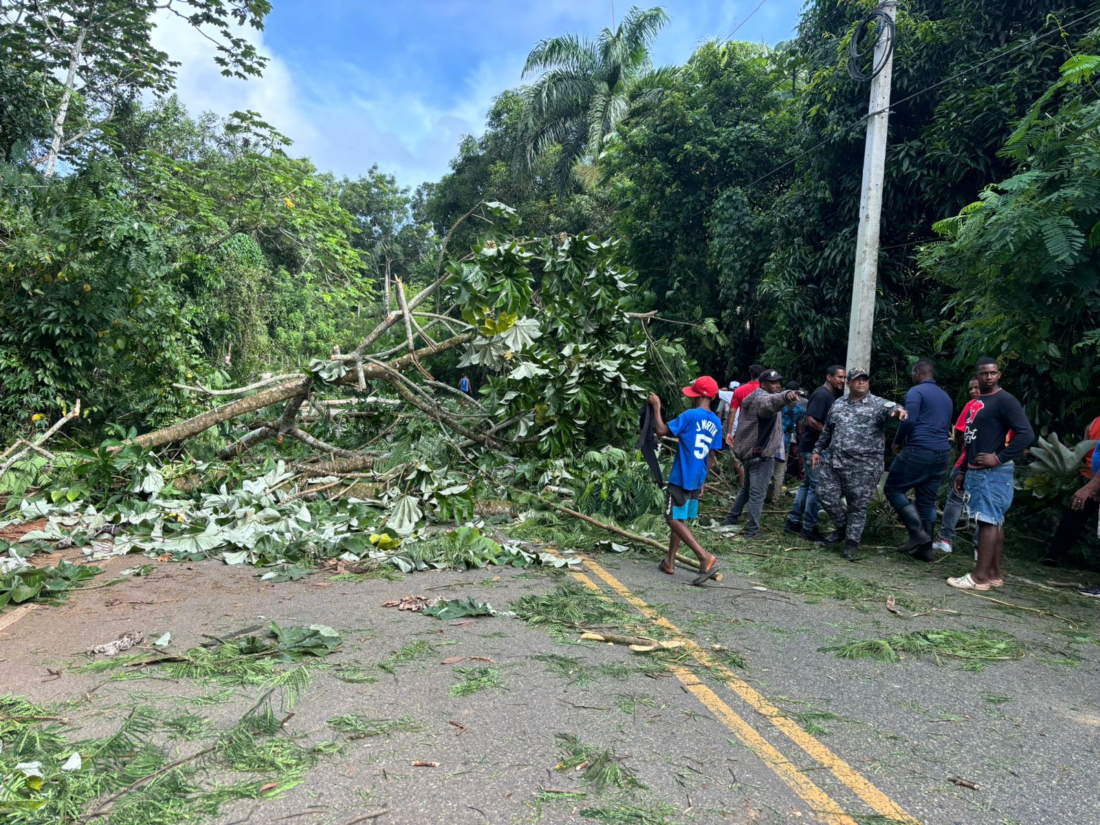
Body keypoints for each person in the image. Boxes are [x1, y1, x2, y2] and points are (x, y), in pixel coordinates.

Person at [947, 357, 1034, 591]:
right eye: (984, 373)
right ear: (977, 375)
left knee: (987, 521)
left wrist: (999, 457)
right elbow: (970, 440)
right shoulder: (978, 402)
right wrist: (963, 470)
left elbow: (1026, 434)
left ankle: (979, 578)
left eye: (993, 373)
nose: (988, 377)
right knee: (994, 521)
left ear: (999, 374)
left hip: (992, 472)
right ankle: (993, 574)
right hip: (976, 469)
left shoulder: (1005, 400)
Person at [812, 367, 908, 560]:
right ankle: (843, 527)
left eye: (865, 379)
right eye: (857, 379)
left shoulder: (878, 404)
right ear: (849, 383)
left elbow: (893, 408)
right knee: (825, 495)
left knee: (858, 506)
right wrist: (817, 450)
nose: (862, 382)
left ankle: (851, 543)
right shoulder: (838, 404)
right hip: (835, 462)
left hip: (865, 466)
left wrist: (899, 412)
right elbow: (828, 431)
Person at [648, 377, 724, 585]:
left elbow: (662, 431)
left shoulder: (690, 415)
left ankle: (703, 556)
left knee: (671, 519)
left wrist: (657, 407)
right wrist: (703, 481)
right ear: (713, 396)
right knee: (680, 519)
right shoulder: (716, 421)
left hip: (682, 475)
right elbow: (712, 456)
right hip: (697, 476)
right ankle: (669, 562)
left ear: (696, 395)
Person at [884, 360, 954, 562]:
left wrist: (897, 441)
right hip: (942, 454)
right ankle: (925, 550)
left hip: (920, 449)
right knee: (927, 500)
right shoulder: (945, 396)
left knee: (893, 488)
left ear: (917, 373)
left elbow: (909, 419)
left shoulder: (916, 392)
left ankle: (917, 532)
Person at [723, 370, 801, 538]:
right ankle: (752, 531)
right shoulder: (763, 399)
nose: (778, 385)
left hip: (752, 453)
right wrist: (786, 395)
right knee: (758, 493)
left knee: (747, 489)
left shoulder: (755, 397)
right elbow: (771, 403)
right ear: (763, 383)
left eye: (779, 382)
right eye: (773, 382)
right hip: (761, 455)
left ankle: (731, 518)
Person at [786, 365, 846, 541]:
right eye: (839, 377)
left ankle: (794, 521)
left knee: (807, 485)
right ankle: (809, 527)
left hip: (811, 447)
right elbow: (811, 420)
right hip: (814, 449)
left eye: (844, 378)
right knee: (817, 488)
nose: (842, 381)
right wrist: (831, 436)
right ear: (829, 377)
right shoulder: (822, 395)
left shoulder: (828, 395)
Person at [1040, 412, 1100, 567]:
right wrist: (1058, 452)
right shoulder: (1095, 421)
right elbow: (1086, 447)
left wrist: (1093, 485)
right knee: (1073, 516)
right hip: (1087, 476)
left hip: (1093, 482)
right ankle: (1054, 554)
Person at [932, 378, 981, 554]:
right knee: (983, 506)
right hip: (990, 462)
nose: (974, 391)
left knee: (956, 498)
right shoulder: (1001, 406)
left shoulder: (973, 406)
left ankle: (945, 539)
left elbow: (960, 432)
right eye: (971, 388)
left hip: (967, 461)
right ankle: (979, 549)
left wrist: (964, 450)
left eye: (977, 387)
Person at [768, 381, 806, 502]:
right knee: (779, 472)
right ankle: (775, 499)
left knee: (766, 468)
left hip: (769, 440)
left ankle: (763, 496)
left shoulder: (777, 403)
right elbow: (800, 430)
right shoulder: (799, 408)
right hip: (785, 442)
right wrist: (801, 446)